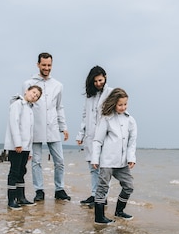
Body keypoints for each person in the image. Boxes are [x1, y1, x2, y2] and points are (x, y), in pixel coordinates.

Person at [23, 52, 71, 202]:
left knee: (60, 160)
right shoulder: (28, 83)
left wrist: (64, 126)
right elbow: (25, 107)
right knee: (36, 161)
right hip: (35, 128)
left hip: (53, 127)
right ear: (38, 65)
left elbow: (59, 107)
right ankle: (39, 190)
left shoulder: (58, 85)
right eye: (43, 65)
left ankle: (59, 189)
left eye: (49, 65)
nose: (46, 68)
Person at [91, 88, 137, 224]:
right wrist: (95, 158)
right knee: (103, 188)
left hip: (122, 163)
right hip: (107, 161)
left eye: (125, 104)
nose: (123, 107)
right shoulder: (106, 118)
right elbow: (97, 140)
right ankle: (99, 217)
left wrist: (131, 158)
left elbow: (132, 142)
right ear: (113, 103)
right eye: (120, 105)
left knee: (129, 186)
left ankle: (119, 211)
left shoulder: (130, 120)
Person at [75, 66, 114, 207]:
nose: (98, 83)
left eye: (100, 80)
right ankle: (94, 194)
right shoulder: (89, 96)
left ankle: (102, 197)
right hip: (90, 135)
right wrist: (81, 134)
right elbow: (85, 116)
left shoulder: (111, 93)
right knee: (93, 167)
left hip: (104, 136)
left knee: (103, 168)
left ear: (105, 77)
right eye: (95, 81)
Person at [4, 85, 42, 210]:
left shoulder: (30, 109)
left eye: (37, 96)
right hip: (17, 146)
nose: (34, 96)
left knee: (22, 171)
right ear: (27, 91)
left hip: (25, 147)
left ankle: (21, 197)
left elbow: (30, 132)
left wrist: (29, 150)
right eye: (33, 92)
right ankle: (11, 200)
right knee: (14, 172)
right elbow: (14, 123)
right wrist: (17, 143)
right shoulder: (18, 104)